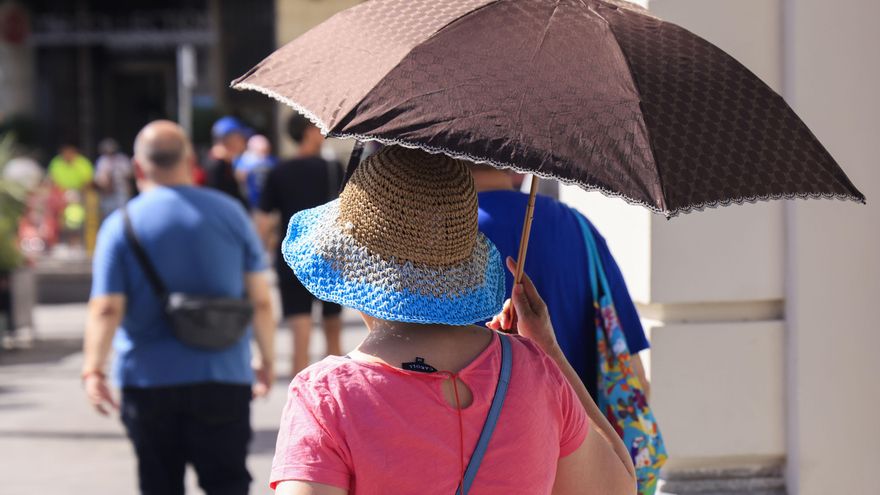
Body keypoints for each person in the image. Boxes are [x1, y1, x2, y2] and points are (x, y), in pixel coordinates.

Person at [270, 146, 636, 494]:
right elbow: (619, 485)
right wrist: (549, 350)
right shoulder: (536, 370)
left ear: (350, 263)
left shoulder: (327, 397)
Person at [82, 120, 276, 495]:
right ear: (190, 161)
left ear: (138, 167)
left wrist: (93, 370)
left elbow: (106, 309)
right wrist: (266, 360)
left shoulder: (119, 225)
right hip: (223, 374)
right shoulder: (231, 214)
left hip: (147, 380)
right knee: (227, 483)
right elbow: (261, 301)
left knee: (159, 484)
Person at [472, 166, 651, 399]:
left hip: (478, 431)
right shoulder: (580, 228)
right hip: (581, 431)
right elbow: (636, 378)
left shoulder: (439, 236)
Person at [256, 113, 343, 375]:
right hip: (329, 256)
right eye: (318, 127)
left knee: (299, 337)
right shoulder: (333, 168)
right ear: (307, 131)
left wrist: (258, 256)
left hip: (292, 257)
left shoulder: (279, 171)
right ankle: (337, 401)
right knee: (333, 335)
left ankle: (301, 402)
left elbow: (263, 220)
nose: (323, 132)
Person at [205, 116, 249, 208]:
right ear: (231, 139)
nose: (244, 141)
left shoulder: (226, 163)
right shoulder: (216, 166)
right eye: (241, 137)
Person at [235, 134, 277, 210]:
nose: (263, 155)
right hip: (251, 201)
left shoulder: (273, 161)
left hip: (269, 201)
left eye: (265, 151)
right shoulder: (244, 161)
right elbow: (240, 178)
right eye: (261, 151)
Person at [94, 138, 133, 218]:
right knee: (108, 214)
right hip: (107, 194)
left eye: (111, 150)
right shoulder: (102, 161)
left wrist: (118, 172)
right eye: (107, 150)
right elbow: (98, 180)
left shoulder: (122, 159)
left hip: (121, 191)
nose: (109, 152)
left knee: (123, 214)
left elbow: (130, 174)